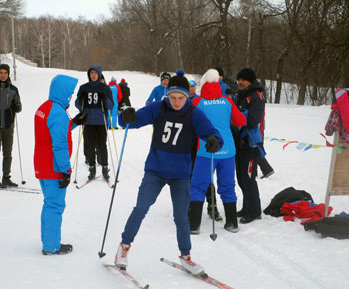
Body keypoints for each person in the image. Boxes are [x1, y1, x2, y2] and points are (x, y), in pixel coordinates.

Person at [114, 71, 223, 275]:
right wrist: (126, 116)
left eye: (181, 97)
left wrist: (215, 140)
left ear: (187, 96)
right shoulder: (159, 107)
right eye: (172, 97)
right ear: (168, 94)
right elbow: (132, 120)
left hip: (180, 174)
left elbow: (211, 132)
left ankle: (186, 257)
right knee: (141, 207)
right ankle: (124, 247)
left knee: (181, 217)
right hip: (155, 170)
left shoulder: (194, 113)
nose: (176, 101)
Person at [34, 74, 87, 255]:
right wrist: (66, 170)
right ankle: (51, 246)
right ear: (62, 91)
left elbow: (52, 133)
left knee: (49, 204)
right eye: (70, 93)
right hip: (53, 167)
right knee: (55, 206)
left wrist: (73, 123)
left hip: (42, 165)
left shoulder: (45, 107)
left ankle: (48, 240)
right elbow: (59, 145)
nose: (71, 97)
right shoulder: (57, 112)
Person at [189, 69, 246, 234]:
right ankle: (232, 223)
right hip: (227, 150)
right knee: (228, 186)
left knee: (198, 187)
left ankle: (194, 225)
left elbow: (189, 123)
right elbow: (241, 120)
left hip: (205, 150)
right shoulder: (227, 101)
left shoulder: (197, 102)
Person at [233, 67, 265, 224]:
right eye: (239, 79)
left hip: (251, 144)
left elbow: (253, 120)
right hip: (239, 144)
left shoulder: (256, 96)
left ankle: (254, 211)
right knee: (241, 178)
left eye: (243, 80)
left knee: (248, 178)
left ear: (250, 81)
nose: (240, 82)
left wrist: (237, 117)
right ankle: (246, 207)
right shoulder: (241, 95)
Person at [75, 65, 114, 181]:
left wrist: (104, 98)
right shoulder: (84, 88)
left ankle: (105, 168)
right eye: (91, 73)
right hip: (88, 121)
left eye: (96, 73)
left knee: (102, 145)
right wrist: (80, 98)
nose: (93, 75)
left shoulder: (105, 88)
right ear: (88, 74)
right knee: (90, 146)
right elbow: (78, 105)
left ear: (99, 74)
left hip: (101, 121)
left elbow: (110, 105)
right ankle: (92, 169)